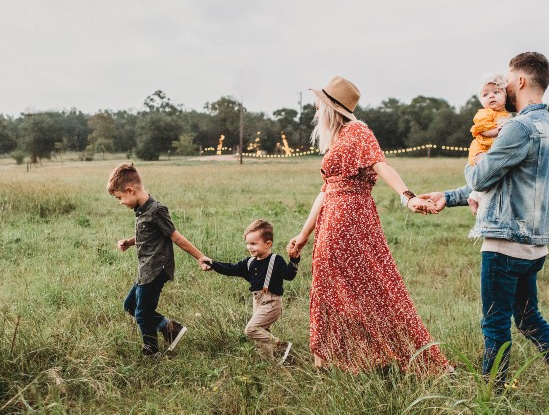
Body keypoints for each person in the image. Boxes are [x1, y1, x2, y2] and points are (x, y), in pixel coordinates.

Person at [420, 53, 549, 404]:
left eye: (508, 80)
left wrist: (475, 161)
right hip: (534, 246)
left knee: (494, 323)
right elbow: (504, 182)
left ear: (521, 82)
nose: (503, 87)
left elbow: (482, 176)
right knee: (530, 319)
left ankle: (492, 398)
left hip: (505, 244)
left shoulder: (518, 127)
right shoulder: (548, 127)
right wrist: (449, 197)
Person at [287, 75, 451, 374]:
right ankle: (333, 359)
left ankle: (380, 356)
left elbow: (381, 165)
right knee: (331, 288)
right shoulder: (338, 139)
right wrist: (303, 234)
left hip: (350, 219)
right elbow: (325, 191)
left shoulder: (358, 131)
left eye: (319, 104)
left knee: (370, 287)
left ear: (331, 108)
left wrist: (407, 196)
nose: (315, 110)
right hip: (332, 219)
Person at [107, 163, 206, 358]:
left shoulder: (157, 210)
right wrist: (129, 241)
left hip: (156, 269)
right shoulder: (142, 210)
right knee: (130, 305)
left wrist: (200, 256)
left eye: (120, 198)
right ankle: (170, 328)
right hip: (145, 269)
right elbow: (149, 235)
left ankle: (151, 350)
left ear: (130, 190)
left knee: (143, 312)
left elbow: (175, 236)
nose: (120, 202)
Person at [202, 219, 299, 363]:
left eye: (253, 244)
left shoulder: (275, 260)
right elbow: (231, 268)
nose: (249, 247)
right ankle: (269, 364)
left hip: (272, 302)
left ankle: (281, 345)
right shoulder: (249, 262)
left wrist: (294, 260)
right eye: (248, 243)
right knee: (262, 334)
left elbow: (289, 276)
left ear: (268, 244)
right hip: (257, 302)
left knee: (251, 329)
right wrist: (213, 264)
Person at [467, 74, 512, 215]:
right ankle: (477, 198)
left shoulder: (507, 114)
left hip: (492, 148)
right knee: (486, 168)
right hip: (481, 148)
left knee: (492, 173)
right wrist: (496, 131)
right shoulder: (485, 113)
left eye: (496, 92)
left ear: (505, 96)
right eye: (485, 95)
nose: (491, 96)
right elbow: (481, 129)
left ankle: (474, 196)